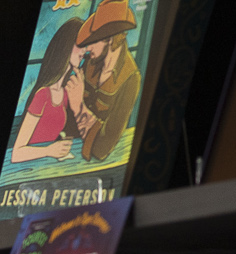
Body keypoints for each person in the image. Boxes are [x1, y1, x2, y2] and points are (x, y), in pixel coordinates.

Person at [8, 17, 86, 165]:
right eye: (80, 44)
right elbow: (16, 153)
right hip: (26, 168)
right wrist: (49, 150)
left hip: (46, 166)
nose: (85, 50)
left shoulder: (64, 94)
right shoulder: (42, 95)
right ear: (66, 45)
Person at [72, 1, 141, 162]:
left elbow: (103, 146)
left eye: (93, 41)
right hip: (67, 151)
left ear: (109, 39)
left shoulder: (131, 78)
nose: (87, 49)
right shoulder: (90, 62)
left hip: (96, 164)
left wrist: (78, 106)